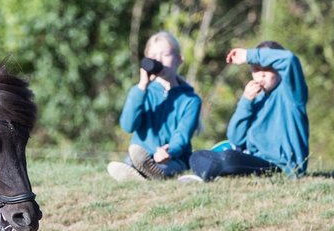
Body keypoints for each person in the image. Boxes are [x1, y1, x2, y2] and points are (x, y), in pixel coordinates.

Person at [187, 41, 309, 181]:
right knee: (196, 155)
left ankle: (211, 172)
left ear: (279, 70)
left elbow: (289, 59)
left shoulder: (291, 94)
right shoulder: (254, 99)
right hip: (252, 160)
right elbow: (236, 138)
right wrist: (246, 101)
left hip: (281, 166)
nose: (262, 75)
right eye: (257, 69)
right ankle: (211, 172)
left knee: (229, 158)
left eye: (268, 69)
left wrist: (249, 55)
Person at [108, 31, 201, 182]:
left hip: (172, 159)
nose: (158, 59)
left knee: (169, 167)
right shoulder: (142, 93)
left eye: (165, 54)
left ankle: (150, 174)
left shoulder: (190, 99)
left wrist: (169, 152)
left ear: (179, 59)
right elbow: (128, 126)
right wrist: (142, 87)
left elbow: (182, 136)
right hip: (141, 156)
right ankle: (140, 172)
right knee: (132, 162)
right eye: (153, 56)